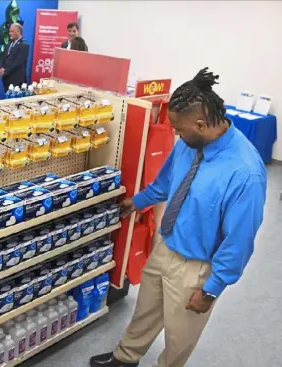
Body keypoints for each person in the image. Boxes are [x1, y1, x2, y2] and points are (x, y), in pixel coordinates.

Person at [90, 68, 267, 367]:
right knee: (145, 312)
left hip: (197, 269)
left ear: (200, 123)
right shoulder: (190, 144)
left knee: (179, 337)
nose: (175, 135)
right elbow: (166, 182)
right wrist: (139, 201)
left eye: (179, 129)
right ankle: (125, 357)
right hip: (166, 247)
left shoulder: (245, 173)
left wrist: (211, 290)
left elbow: (239, 241)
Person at [0, 23, 29, 92]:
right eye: (9, 31)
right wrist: (0, 68)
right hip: (7, 79)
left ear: (18, 32)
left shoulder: (24, 45)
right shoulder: (10, 43)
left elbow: (17, 62)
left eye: (12, 31)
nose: (9, 33)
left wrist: (5, 71)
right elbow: (3, 57)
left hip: (17, 80)